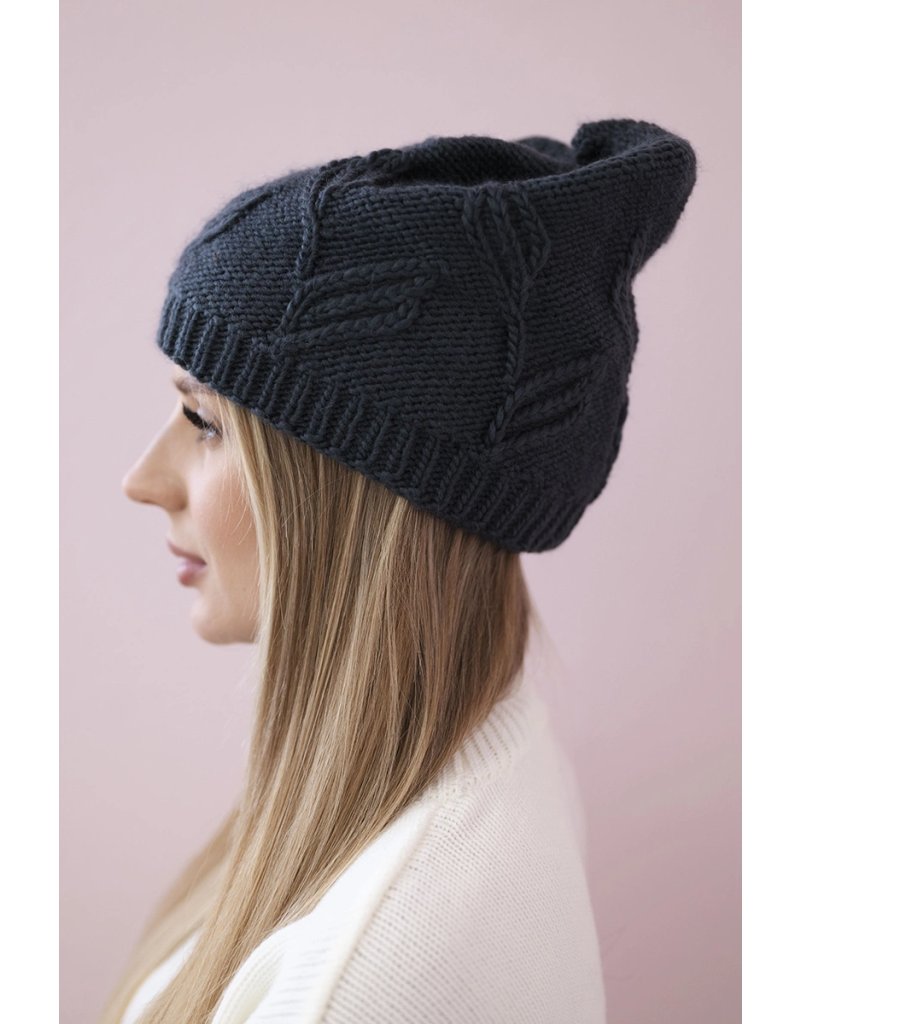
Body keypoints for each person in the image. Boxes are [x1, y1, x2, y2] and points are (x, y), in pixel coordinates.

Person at [101, 118, 698, 1024]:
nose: (143, 481)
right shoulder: (477, 763)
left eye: (206, 422)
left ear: (363, 489)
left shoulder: (374, 979)